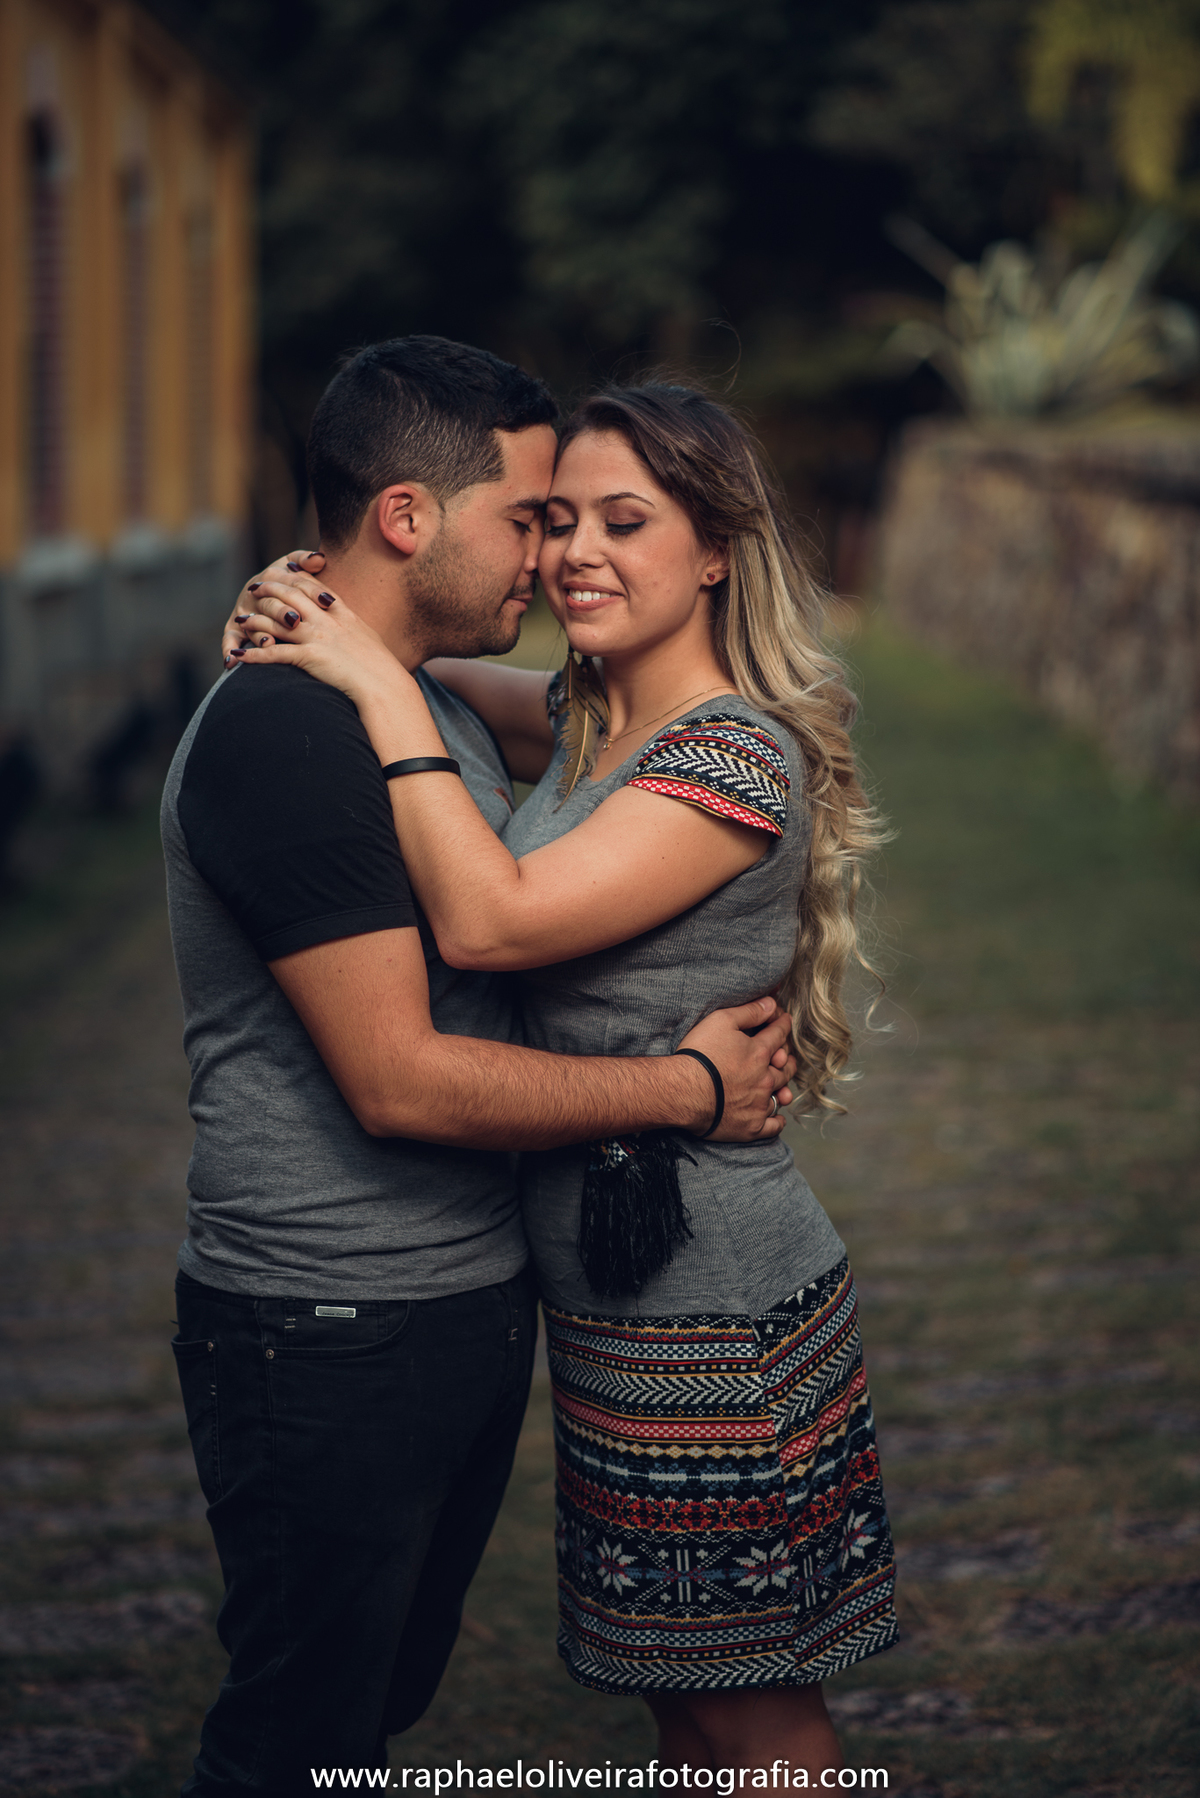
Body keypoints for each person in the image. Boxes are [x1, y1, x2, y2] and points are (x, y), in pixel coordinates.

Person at [227, 378, 900, 1780]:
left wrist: (361, 677)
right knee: (680, 1703)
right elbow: (452, 681)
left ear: (715, 548)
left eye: (622, 521)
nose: (573, 553)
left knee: (757, 1715)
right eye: (557, 521)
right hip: (615, 1310)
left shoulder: (734, 753)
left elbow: (493, 920)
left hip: (715, 1304)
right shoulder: (592, 723)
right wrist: (316, 609)